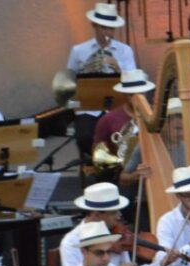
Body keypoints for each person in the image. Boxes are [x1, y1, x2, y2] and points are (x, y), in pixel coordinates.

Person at [59, 183, 168, 266]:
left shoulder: (118, 236)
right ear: (96, 214)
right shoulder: (70, 243)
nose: (119, 216)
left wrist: (163, 264)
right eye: (113, 212)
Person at [66, 3, 137, 158]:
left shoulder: (124, 51)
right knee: (84, 137)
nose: (108, 33)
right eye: (104, 28)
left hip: (117, 105)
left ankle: (117, 165)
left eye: (111, 29)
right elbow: (69, 79)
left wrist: (118, 67)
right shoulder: (78, 51)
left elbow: (134, 81)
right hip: (89, 107)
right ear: (94, 25)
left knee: (122, 136)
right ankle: (96, 163)